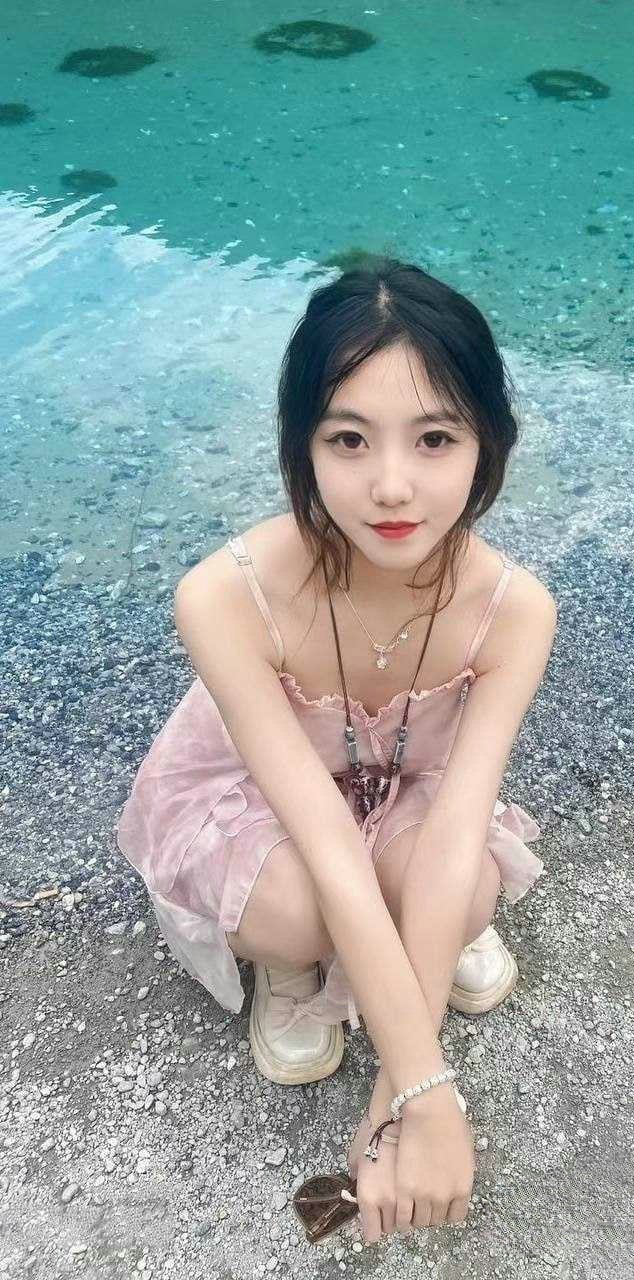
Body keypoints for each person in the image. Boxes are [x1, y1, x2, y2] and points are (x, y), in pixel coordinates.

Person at [114, 257, 557, 1246]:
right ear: (301, 446)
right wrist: (429, 1095)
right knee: (299, 909)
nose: (392, 485)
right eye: (348, 438)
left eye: (435, 437)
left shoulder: (516, 610)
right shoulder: (224, 595)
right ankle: (298, 967)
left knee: (465, 882)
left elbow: (456, 825)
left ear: (488, 443)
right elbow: (319, 830)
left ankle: (407, 961)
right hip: (271, 802)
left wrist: (401, 1097)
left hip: (411, 786)